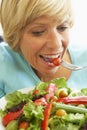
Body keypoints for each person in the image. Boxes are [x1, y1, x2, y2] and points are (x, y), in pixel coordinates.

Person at [0, 0, 87, 98]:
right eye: (38, 32)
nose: (56, 44)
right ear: (15, 35)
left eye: (62, 28)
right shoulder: (3, 61)